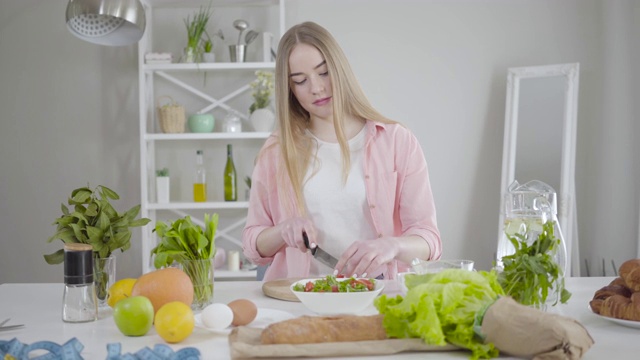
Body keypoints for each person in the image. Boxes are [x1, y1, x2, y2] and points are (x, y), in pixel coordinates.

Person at [242, 21, 441, 282]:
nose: (316, 88)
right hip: (298, 299)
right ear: (289, 89)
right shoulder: (276, 150)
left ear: (340, 69)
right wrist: (282, 231)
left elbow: (430, 241)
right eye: (300, 81)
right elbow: (252, 246)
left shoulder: (396, 141)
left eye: (323, 72)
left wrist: (392, 246)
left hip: (377, 295)